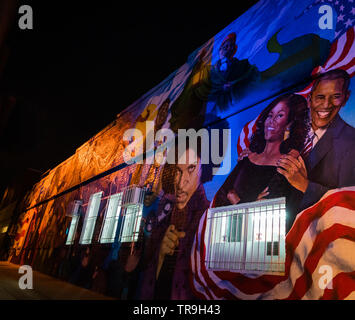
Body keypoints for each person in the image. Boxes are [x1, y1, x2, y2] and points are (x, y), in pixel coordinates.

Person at [213, 93, 309, 231]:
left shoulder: (288, 165)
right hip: (226, 234)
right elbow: (223, 194)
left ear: (289, 124)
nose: (271, 121)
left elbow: (268, 215)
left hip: (260, 245)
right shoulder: (247, 158)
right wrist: (249, 202)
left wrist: (236, 200)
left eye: (279, 116)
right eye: (270, 115)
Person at [139, 140, 211, 300]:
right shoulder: (164, 216)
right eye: (178, 171)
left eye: (191, 169)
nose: (180, 182)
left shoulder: (207, 217)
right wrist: (161, 257)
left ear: (203, 173)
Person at [277, 69, 355, 210]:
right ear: (310, 99)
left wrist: (305, 185)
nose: (326, 105)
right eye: (320, 97)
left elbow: (348, 203)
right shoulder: (294, 129)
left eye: (335, 96)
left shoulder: (351, 141)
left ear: (346, 97)